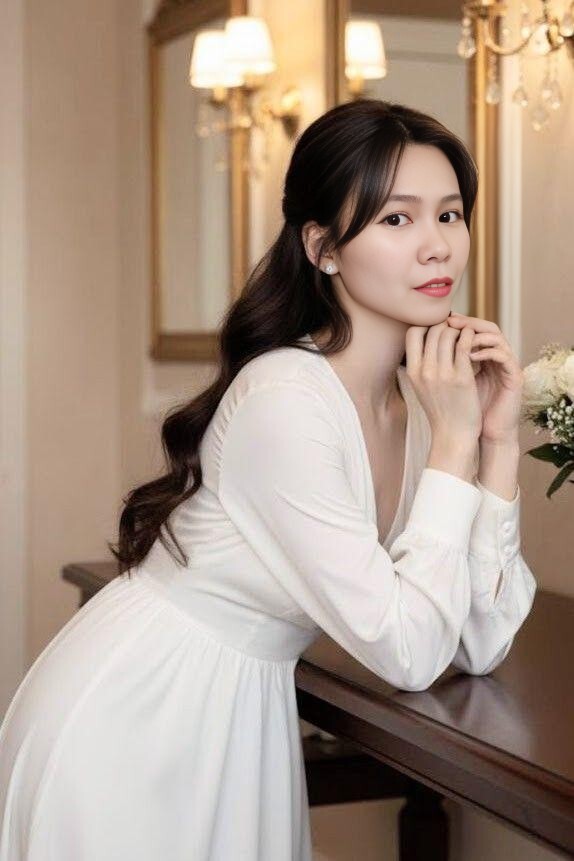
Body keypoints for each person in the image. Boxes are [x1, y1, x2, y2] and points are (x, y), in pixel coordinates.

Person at [0, 98, 536, 860]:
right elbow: (408, 652)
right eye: (397, 218)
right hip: (137, 722)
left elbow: (475, 640)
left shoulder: (417, 409)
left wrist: (496, 440)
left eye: (450, 215)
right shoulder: (283, 400)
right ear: (323, 247)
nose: (437, 246)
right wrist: (456, 440)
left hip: (242, 718)